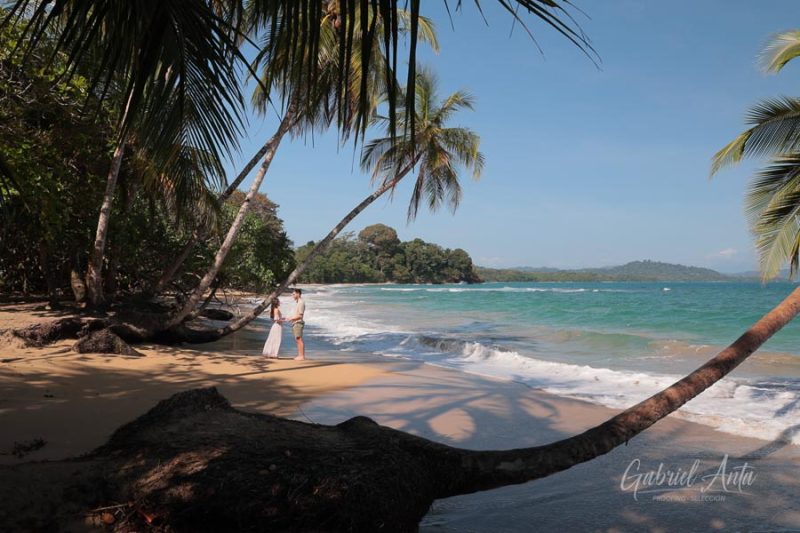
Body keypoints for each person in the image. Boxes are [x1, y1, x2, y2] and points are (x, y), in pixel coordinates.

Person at [287, 288, 306, 360]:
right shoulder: (298, 302)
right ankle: (300, 355)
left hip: (298, 322)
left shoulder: (301, 302)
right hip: (296, 322)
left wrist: (291, 319)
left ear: (298, 294)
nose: (292, 295)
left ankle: (301, 356)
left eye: (294, 294)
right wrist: (291, 318)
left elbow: (300, 315)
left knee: (299, 339)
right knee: (297, 339)